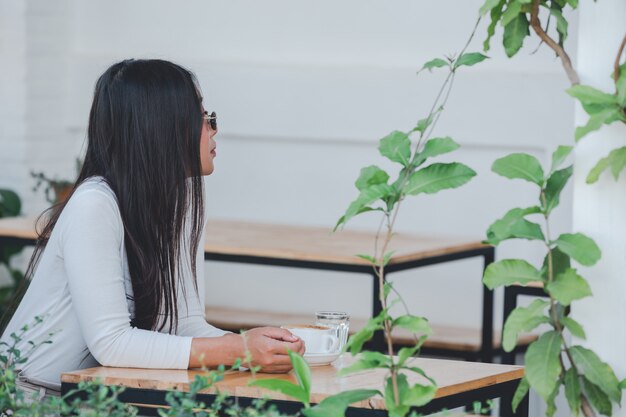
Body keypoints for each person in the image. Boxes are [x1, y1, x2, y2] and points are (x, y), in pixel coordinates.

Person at [0, 59, 304, 397]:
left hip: (99, 397)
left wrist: (261, 349)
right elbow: (112, 343)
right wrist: (238, 349)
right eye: (203, 117)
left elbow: (184, 324)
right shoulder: (95, 204)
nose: (213, 129)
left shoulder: (179, 200)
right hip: (28, 399)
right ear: (162, 126)